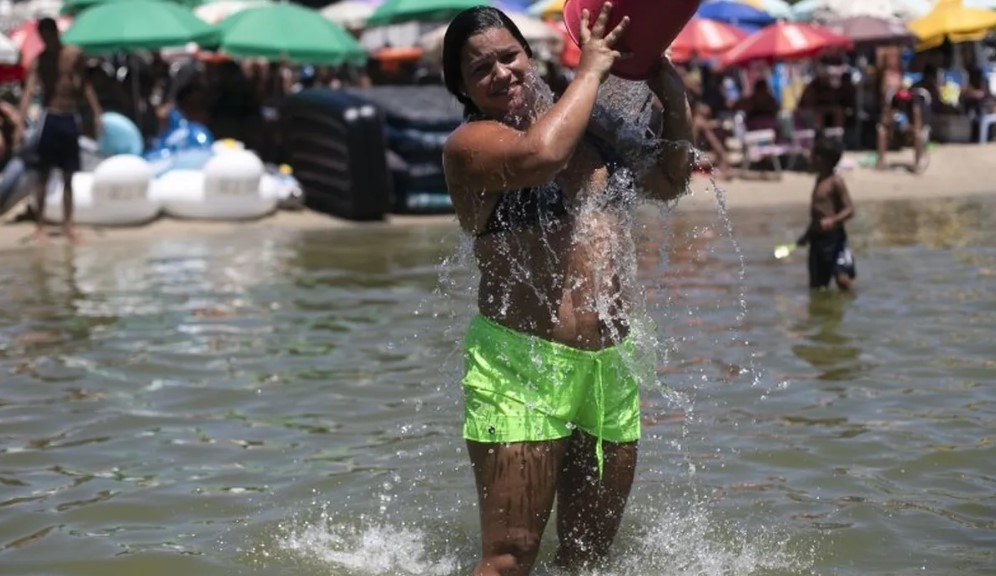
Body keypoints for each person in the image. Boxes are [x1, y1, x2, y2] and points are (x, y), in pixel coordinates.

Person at [440, 3, 692, 575]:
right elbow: (542, 156)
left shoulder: (596, 127)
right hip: (520, 368)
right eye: (482, 69)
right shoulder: (471, 146)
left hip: (609, 371)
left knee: (588, 560)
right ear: (462, 87)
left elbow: (671, 180)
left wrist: (674, 102)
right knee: (510, 557)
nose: (502, 73)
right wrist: (592, 72)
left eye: (510, 56)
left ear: (530, 57)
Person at [17, 17, 103, 243]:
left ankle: (68, 226)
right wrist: (20, 121)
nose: (45, 40)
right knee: (44, 174)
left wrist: (96, 112)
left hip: (70, 117)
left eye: (47, 35)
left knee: (69, 175)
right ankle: (40, 226)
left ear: (55, 33)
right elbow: (28, 91)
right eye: (42, 37)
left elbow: (85, 84)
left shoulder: (74, 54)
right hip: (50, 117)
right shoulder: (40, 61)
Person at [796, 134, 855, 291]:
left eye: (813, 155)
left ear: (821, 159)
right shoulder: (819, 180)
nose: (810, 158)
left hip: (834, 239)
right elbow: (816, 214)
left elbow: (849, 209)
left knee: (842, 279)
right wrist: (807, 235)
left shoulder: (836, 182)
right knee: (817, 285)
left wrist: (834, 220)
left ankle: (850, 302)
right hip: (817, 239)